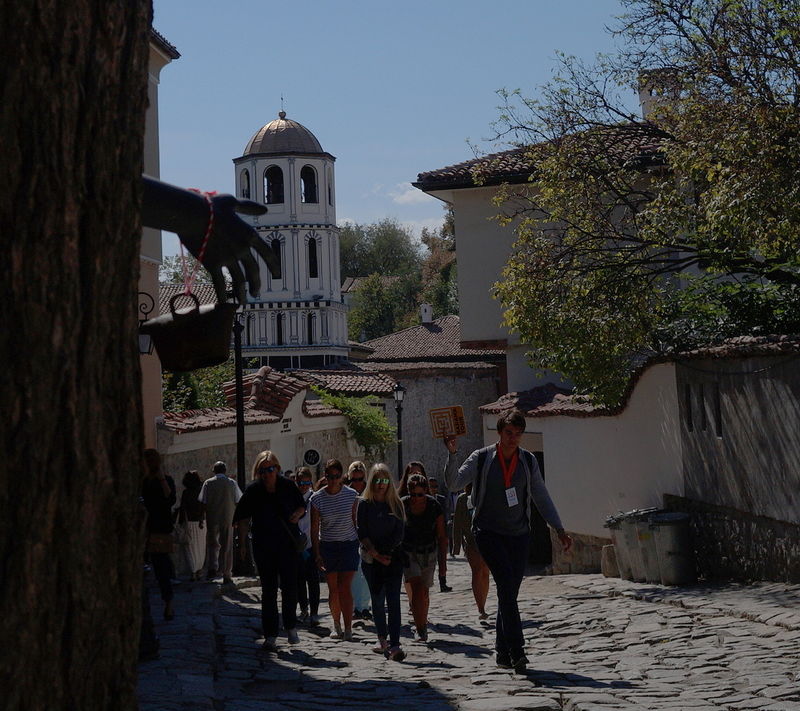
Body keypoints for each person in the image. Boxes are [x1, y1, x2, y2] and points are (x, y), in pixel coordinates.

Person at [443, 409, 573, 673]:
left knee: (508, 593)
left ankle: (502, 653)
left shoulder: (527, 460)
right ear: (500, 432)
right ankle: (517, 651)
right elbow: (454, 483)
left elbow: (540, 495)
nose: (513, 438)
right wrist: (452, 454)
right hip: (488, 533)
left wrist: (558, 528)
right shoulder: (481, 458)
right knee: (505, 585)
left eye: (518, 434)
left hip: (519, 535)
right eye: (509, 433)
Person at [233, 451, 305, 651]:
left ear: (277, 469)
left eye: (270, 469)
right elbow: (243, 518)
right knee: (269, 590)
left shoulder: (288, 486)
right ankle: (271, 634)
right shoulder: (254, 490)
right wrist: (242, 545)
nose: (267, 474)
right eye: (263, 470)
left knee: (289, 587)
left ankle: (290, 626)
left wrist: (297, 515)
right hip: (263, 546)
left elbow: (301, 506)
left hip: (287, 545)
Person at [357, 463, 406, 662]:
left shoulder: (396, 504)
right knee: (377, 600)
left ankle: (395, 643)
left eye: (384, 480)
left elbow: (399, 532)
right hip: (371, 559)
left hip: (393, 559)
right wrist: (376, 554)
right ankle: (382, 638)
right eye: (377, 480)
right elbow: (362, 531)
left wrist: (386, 553)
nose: (381, 484)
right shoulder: (364, 504)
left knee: (393, 600)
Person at [310, 458, 360, 641]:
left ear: (341, 476)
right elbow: (314, 529)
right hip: (328, 546)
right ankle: (336, 624)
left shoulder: (352, 495)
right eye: (330, 476)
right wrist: (317, 554)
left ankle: (348, 628)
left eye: (337, 476)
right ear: (325, 476)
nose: (333, 480)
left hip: (348, 544)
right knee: (333, 588)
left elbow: (355, 521)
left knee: (345, 587)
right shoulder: (317, 499)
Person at [401, 474, 448, 642]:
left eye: (420, 494)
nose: (416, 498)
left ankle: (423, 622)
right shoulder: (403, 505)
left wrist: (443, 565)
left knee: (424, 592)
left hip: (429, 553)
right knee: (416, 588)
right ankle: (420, 629)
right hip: (409, 553)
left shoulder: (434, 506)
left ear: (426, 492)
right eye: (413, 494)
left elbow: (441, 536)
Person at [142, 449, 177, 621]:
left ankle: (168, 603)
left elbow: (170, 499)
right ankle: (166, 603)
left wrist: (162, 479)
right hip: (150, 530)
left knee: (161, 568)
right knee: (159, 569)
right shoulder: (142, 482)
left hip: (157, 531)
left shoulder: (165, 481)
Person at [198, 461, 242, 586]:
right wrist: (237, 518)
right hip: (228, 517)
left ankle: (212, 569)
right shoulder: (232, 483)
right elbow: (238, 501)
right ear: (225, 471)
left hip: (212, 517)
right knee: (227, 545)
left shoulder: (208, 483)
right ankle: (226, 574)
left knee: (212, 544)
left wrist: (201, 517)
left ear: (214, 471)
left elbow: (203, 502)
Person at [451, 483, 489, 620]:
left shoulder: (487, 494)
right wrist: (456, 546)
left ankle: (483, 602)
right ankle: (481, 608)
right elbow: (457, 523)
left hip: (488, 540)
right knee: (477, 571)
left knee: (485, 572)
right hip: (471, 542)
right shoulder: (462, 499)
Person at [295, 466, 321, 626]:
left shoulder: (314, 498)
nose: (304, 486)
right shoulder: (292, 498)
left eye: (306, 483)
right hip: (297, 545)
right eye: (301, 483)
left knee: (313, 580)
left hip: (311, 544)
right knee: (299, 580)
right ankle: (304, 609)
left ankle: (314, 612)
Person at [346, 461, 372, 621]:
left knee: (366, 574)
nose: (357, 483)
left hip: (367, 537)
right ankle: (357, 606)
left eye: (360, 479)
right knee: (355, 573)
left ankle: (364, 606)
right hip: (351, 537)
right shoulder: (346, 493)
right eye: (353, 479)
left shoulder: (370, 493)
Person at [177, 470, 205, 581]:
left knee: (190, 548)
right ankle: (199, 571)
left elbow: (183, 508)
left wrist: (181, 522)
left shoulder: (186, 493)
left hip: (190, 523)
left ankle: (193, 571)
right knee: (200, 548)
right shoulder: (201, 491)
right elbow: (204, 506)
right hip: (201, 523)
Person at [427, 476, 453, 592]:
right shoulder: (424, 500)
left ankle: (443, 583)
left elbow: (446, 515)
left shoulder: (441, 499)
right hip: (429, 535)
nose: (434, 489)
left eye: (435, 486)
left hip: (441, 533)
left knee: (442, 560)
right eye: (431, 486)